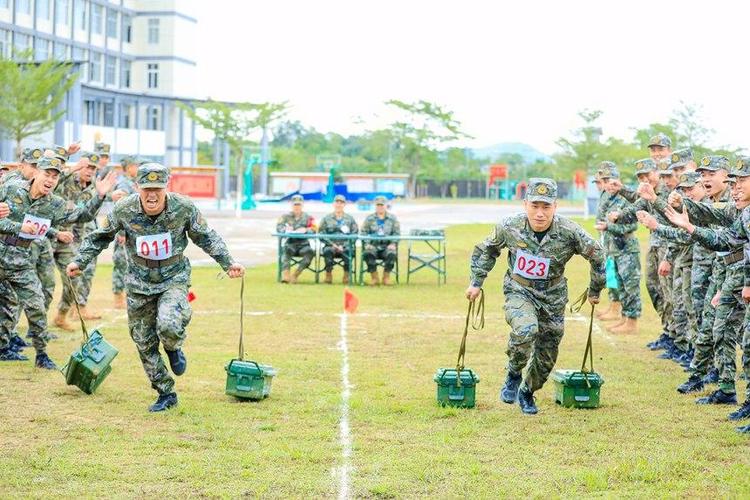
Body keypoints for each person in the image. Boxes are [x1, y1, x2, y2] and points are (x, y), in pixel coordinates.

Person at [67, 163, 245, 412]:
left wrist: (229, 263)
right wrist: (79, 260)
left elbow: (206, 236)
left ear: (166, 187)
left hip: (173, 279)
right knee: (144, 342)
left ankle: (173, 348)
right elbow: (100, 236)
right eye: (147, 188)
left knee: (169, 324)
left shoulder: (183, 207)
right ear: (138, 187)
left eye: (157, 189)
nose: (152, 195)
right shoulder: (124, 209)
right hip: (139, 283)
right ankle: (165, 393)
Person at [466, 178, 605, 415]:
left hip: (553, 296)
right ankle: (513, 372)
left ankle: (527, 392)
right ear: (525, 204)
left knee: (547, 351)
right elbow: (487, 249)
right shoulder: (509, 226)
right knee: (525, 330)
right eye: (535, 206)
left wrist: (595, 289)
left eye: (546, 207)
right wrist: (476, 282)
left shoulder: (569, 232)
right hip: (519, 290)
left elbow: (598, 255)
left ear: (555, 207)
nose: (540, 214)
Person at [0, 157, 115, 367]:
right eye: (47, 174)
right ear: (36, 172)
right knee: (6, 304)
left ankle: (41, 355)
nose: (51, 180)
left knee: (36, 305)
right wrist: (16, 226)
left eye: (55, 176)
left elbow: (83, 215)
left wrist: (99, 195)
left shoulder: (55, 204)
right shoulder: (11, 187)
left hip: (20, 262)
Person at [661, 156, 746, 406]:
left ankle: (722, 382)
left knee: (731, 332)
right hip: (724, 273)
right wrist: (685, 217)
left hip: (737, 276)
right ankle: (714, 380)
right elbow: (721, 239)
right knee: (714, 328)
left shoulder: (736, 204)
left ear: (725, 176)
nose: (706, 179)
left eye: (711, 174)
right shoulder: (732, 206)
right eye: (703, 175)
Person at [596, 165, 641, 334]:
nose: (606, 184)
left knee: (631, 287)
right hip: (613, 249)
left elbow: (633, 225)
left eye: (609, 180)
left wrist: (609, 227)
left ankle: (632, 322)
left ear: (617, 179)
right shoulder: (607, 197)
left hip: (626, 249)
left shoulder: (624, 198)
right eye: (604, 181)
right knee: (619, 285)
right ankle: (624, 319)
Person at [593, 165, 621, 321]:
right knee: (610, 275)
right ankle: (612, 305)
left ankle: (616, 308)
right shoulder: (604, 195)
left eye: (603, 181)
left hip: (615, 243)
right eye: (598, 182)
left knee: (613, 276)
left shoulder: (616, 196)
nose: (600, 185)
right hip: (607, 241)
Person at [111, 156, 139, 308]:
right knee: (121, 263)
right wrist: (121, 232)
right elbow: (120, 208)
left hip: (134, 230)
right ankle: (118, 297)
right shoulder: (123, 184)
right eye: (136, 165)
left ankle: (128, 294)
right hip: (125, 231)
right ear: (128, 167)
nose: (138, 168)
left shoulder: (134, 183)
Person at [361, 196, 401, 286]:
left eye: (382, 205)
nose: (380, 207)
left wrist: (393, 243)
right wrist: (367, 244)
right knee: (368, 252)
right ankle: (374, 278)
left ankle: (386, 277)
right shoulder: (369, 219)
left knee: (392, 253)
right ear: (375, 206)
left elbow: (397, 233)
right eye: (378, 205)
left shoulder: (392, 218)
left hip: (387, 247)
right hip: (373, 246)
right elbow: (363, 233)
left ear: (386, 206)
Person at [318, 194, 358, 284]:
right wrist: (333, 245)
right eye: (337, 202)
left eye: (341, 203)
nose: (339, 205)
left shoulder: (350, 219)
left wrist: (343, 246)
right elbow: (321, 234)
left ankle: (346, 276)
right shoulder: (326, 218)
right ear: (333, 204)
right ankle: (328, 275)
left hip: (345, 246)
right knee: (327, 251)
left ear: (344, 205)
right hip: (330, 245)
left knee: (348, 250)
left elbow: (355, 234)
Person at [276, 194, 315, 284]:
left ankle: (296, 274)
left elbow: (314, 229)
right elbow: (279, 228)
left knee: (310, 253)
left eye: (299, 205)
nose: (297, 207)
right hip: (290, 243)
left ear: (302, 205)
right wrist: (285, 229)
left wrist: (305, 230)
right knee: (285, 251)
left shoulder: (308, 217)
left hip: (304, 244)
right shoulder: (285, 217)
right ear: (291, 205)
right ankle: (286, 275)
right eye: (295, 205)